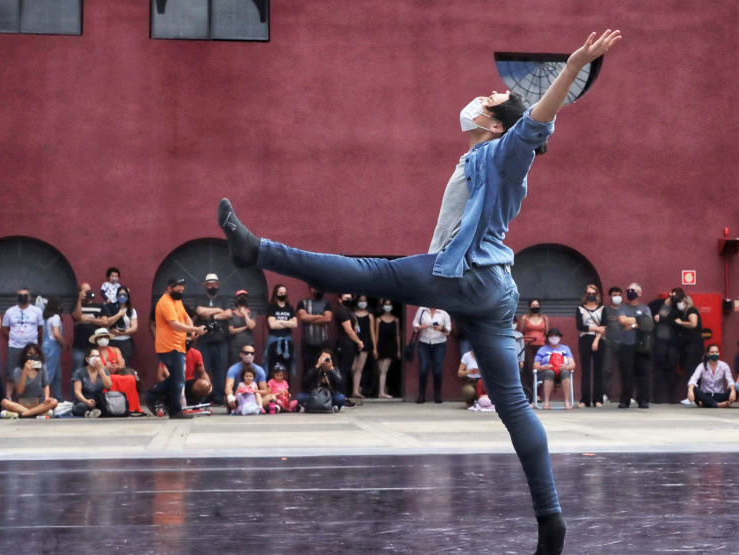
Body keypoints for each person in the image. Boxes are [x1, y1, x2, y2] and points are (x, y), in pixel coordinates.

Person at [217, 29, 622, 552]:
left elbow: (536, 124)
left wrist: (569, 71)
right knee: (514, 406)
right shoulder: (482, 155)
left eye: (491, 98)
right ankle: (551, 520)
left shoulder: (504, 151)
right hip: (493, 290)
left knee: (368, 273)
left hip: (468, 276)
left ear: (497, 121)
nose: (481, 96)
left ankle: (259, 252)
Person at [147, 278, 206, 419]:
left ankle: (156, 398)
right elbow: (174, 324)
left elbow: (186, 317)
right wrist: (195, 328)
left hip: (178, 345)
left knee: (176, 378)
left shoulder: (177, 301)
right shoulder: (165, 303)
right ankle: (169, 406)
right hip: (168, 346)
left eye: (182, 290)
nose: (180, 293)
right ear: (169, 288)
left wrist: (192, 331)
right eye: (177, 290)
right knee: (179, 379)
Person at [615, 283, 654, 409]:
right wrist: (639, 321)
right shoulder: (623, 307)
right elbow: (622, 321)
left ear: (640, 293)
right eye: (628, 290)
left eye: (633, 290)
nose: (630, 292)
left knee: (643, 373)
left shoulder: (645, 308)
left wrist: (631, 324)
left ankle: (643, 400)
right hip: (626, 345)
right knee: (627, 374)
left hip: (642, 345)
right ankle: (625, 400)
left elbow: (648, 323)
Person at [194, 274, 231, 404]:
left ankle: (218, 396)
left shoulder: (223, 299)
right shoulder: (200, 299)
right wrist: (217, 310)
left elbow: (228, 313)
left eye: (215, 284)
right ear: (206, 285)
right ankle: (203, 395)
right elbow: (200, 311)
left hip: (221, 341)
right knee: (203, 369)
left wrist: (211, 317)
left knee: (220, 370)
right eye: (210, 284)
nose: (212, 287)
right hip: (204, 342)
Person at [1, 288, 43, 398]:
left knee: (33, 372)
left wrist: (33, 339)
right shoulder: (10, 311)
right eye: (20, 295)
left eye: (25, 295)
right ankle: (8, 398)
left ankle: (31, 398)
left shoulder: (37, 311)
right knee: (11, 374)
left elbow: (41, 328)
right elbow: (4, 328)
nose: (23, 297)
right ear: (17, 297)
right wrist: (14, 337)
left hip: (31, 349)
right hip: (14, 346)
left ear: (29, 297)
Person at [0, 343, 57, 418]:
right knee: (4, 402)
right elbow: (19, 391)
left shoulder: (42, 368)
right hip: (21, 404)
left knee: (54, 402)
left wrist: (46, 397)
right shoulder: (18, 370)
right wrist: (25, 372)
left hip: (36, 403)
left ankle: (22, 414)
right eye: (30, 354)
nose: (33, 357)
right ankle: (36, 413)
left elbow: (46, 385)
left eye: (36, 354)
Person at [71, 283, 110, 390]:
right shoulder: (76, 306)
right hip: (79, 346)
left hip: (95, 347)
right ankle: (76, 398)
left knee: (96, 370)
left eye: (89, 291)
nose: (87, 293)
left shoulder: (100, 307)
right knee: (76, 372)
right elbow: (77, 317)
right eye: (84, 291)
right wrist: (79, 301)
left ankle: (94, 395)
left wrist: (88, 319)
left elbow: (105, 322)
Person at [652, 288, 685, 404]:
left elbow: (678, 324)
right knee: (658, 369)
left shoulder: (678, 310)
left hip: (672, 343)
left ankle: (672, 397)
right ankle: (657, 397)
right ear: (670, 293)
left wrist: (662, 319)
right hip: (658, 342)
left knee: (672, 369)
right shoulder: (656, 304)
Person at [412, 306, 451, 404]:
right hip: (424, 343)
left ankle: (437, 396)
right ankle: (421, 396)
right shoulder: (422, 310)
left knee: (437, 370)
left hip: (439, 344)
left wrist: (441, 329)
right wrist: (420, 327)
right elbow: (414, 323)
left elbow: (448, 329)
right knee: (423, 369)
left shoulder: (443, 312)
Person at [575, 285, 605, 408]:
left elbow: (604, 326)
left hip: (599, 339)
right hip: (584, 339)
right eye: (589, 293)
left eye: (593, 293)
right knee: (586, 370)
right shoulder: (580, 309)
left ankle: (598, 399)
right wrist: (595, 328)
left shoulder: (603, 309)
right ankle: (585, 400)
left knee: (598, 370)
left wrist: (596, 339)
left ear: (597, 294)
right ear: (585, 294)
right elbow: (580, 326)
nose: (591, 295)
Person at [533, 328, 576, 410]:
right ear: (548, 338)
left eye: (556, 336)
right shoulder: (542, 350)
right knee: (550, 372)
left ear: (559, 337)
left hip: (561, 371)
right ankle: (546, 401)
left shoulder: (565, 349)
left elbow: (573, 364)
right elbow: (535, 365)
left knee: (565, 372)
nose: (554, 338)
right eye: (551, 336)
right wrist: (543, 367)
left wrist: (566, 367)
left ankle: (567, 401)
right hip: (546, 372)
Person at [296, 348, 347, 412]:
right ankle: (323, 407)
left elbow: (339, 382)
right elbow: (306, 379)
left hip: (330, 397)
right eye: (323, 358)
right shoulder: (315, 368)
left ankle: (323, 407)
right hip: (314, 397)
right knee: (300, 396)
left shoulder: (334, 369)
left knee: (341, 397)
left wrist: (331, 369)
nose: (325, 361)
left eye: (327, 359)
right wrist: (317, 367)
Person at [297, 286, 333, 371]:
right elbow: (303, 317)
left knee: (324, 368)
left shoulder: (326, 303)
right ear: (311, 289)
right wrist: (321, 317)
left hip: (323, 342)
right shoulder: (302, 303)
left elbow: (328, 318)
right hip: (307, 342)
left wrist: (309, 318)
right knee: (307, 369)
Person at [333, 293, 361, 405]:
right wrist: (358, 341)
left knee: (346, 370)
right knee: (342, 371)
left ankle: (343, 396)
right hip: (344, 343)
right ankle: (341, 398)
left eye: (350, 298)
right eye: (346, 299)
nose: (349, 300)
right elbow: (349, 330)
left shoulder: (349, 311)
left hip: (350, 344)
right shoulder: (341, 311)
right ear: (339, 299)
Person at [520, 299, 548, 401]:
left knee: (540, 369)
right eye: (533, 305)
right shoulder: (525, 318)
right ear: (529, 307)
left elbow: (547, 333)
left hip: (541, 346)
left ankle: (538, 394)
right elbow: (520, 332)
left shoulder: (544, 318)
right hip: (528, 346)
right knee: (530, 369)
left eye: (537, 305)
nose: (535, 307)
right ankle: (530, 393)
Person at [601, 286, 625, 404]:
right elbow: (602, 326)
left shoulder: (625, 309)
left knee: (626, 370)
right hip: (609, 343)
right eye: (614, 295)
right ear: (610, 297)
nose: (617, 297)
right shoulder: (605, 310)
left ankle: (627, 395)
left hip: (624, 343)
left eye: (619, 295)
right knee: (606, 369)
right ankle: (605, 394)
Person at [224, 345, 267, 412]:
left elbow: (265, 391)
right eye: (246, 353)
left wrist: (253, 391)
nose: (249, 355)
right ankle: (250, 408)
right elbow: (228, 386)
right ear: (241, 354)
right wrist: (230, 397)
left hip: (253, 398)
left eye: (252, 353)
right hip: (239, 398)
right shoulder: (233, 369)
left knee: (272, 398)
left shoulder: (259, 370)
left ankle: (254, 407)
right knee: (226, 398)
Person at [227, 291, 257, 390]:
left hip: (248, 345)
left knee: (248, 369)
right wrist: (245, 327)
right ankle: (235, 390)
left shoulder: (252, 313)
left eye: (244, 297)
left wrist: (245, 313)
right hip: (235, 345)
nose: (242, 298)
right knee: (235, 368)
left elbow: (251, 326)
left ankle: (249, 390)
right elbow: (231, 330)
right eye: (240, 297)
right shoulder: (232, 314)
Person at [72, 348, 113, 418]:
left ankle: (91, 413)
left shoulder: (104, 371)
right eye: (93, 356)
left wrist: (100, 370)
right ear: (87, 359)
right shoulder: (80, 372)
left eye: (97, 356)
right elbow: (77, 392)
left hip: (99, 400)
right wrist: (86, 401)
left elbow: (108, 386)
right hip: (84, 400)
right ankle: (89, 413)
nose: (95, 358)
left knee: (107, 406)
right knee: (80, 407)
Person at [266, 284, 297, 374]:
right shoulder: (271, 308)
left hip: (288, 342)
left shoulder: (290, 308)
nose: (283, 295)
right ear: (276, 294)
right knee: (273, 366)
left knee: (287, 368)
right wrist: (288, 323)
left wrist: (279, 321)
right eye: (281, 293)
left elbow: (295, 324)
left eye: (284, 293)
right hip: (274, 342)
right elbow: (272, 325)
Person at [41, 298, 68, 402]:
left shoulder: (47, 318)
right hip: (53, 347)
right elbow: (56, 334)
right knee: (49, 374)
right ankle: (43, 399)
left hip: (46, 345)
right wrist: (65, 343)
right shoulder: (56, 317)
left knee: (57, 375)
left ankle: (59, 398)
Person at [675, 294, 704, 388]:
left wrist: (681, 322)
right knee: (689, 368)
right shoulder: (684, 312)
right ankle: (693, 393)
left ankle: (694, 394)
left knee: (692, 368)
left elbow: (693, 324)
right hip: (688, 345)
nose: (678, 304)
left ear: (686, 302)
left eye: (680, 302)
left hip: (694, 345)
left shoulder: (691, 310)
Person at [374, 298, 400, 399]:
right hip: (381, 345)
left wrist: (398, 349)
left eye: (389, 304)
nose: (387, 306)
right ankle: (383, 389)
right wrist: (375, 348)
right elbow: (376, 334)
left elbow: (398, 335)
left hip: (391, 346)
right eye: (386, 304)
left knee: (384, 370)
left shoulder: (396, 320)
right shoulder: (378, 319)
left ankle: (381, 393)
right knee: (380, 370)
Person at [352, 295, 376, 399]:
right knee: (352, 367)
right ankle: (354, 387)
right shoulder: (353, 315)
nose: (362, 302)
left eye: (364, 301)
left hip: (365, 342)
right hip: (354, 341)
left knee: (359, 369)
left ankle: (356, 391)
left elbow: (372, 332)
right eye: (360, 300)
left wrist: (374, 347)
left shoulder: (370, 316)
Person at [109, 286, 138, 367]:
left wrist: (121, 333)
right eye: (120, 294)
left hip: (125, 341)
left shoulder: (132, 311)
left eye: (124, 295)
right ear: (116, 295)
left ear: (128, 296)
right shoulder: (110, 308)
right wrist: (119, 315)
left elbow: (134, 327)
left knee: (124, 364)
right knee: (112, 364)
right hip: (111, 340)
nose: (122, 297)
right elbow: (107, 322)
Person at [184, 334, 212, 405]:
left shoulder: (196, 353)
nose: (187, 344)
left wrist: (209, 386)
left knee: (204, 385)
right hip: (174, 381)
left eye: (189, 342)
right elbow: (161, 375)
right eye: (185, 341)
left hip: (189, 383)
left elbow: (202, 372)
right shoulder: (173, 353)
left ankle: (194, 402)